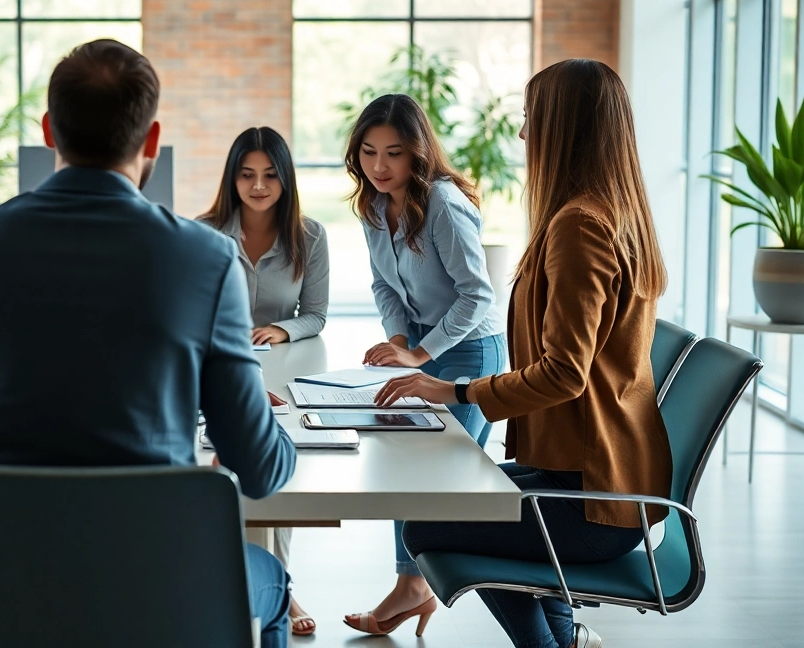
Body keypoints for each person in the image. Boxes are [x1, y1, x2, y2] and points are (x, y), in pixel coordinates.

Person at [0, 39, 297, 648]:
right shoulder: (207, 259)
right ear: (151, 140)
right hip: (150, 586)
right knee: (271, 584)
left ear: (49, 130)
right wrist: (267, 423)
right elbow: (259, 471)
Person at [360, 59, 673, 648]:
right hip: (588, 476)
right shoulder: (601, 212)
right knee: (442, 498)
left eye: (533, 118)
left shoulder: (579, 226)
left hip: (595, 499)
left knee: (426, 524)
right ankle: (565, 643)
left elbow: (564, 374)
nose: (524, 133)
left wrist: (453, 389)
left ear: (565, 128)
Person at [342, 93, 508, 635]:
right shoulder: (373, 205)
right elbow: (382, 284)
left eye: (394, 153)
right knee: (403, 463)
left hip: (468, 353)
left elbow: (476, 295)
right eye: (369, 152)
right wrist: (398, 339)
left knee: (439, 476)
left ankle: (426, 586)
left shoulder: (443, 203)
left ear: (418, 152)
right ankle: (412, 585)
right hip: (419, 344)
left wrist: (418, 353)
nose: (379, 166)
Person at [198, 125, 327, 636]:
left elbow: (315, 315)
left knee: (274, 470)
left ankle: (282, 585)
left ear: (286, 178)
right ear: (232, 178)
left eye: (270, 175)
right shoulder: (203, 234)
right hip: (221, 369)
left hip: (283, 368)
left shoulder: (310, 235)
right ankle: (243, 579)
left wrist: (282, 328)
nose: (258, 186)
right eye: (247, 174)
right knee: (227, 469)